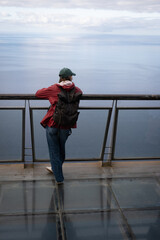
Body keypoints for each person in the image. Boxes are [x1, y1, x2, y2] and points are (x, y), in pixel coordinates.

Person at [35, 68, 82, 184]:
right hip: (67, 125)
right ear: (70, 77)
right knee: (61, 150)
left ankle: (59, 178)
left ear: (60, 77)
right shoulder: (76, 89)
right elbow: (80, 93)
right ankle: (56, 168)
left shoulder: (54, 88)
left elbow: (38, 93)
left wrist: (53, 87)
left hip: (53, 124)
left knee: (54, 150)